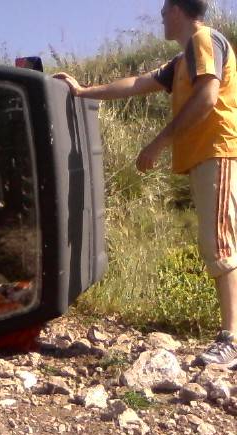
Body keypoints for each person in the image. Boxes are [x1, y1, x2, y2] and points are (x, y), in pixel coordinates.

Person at [55, 0, 237, 368]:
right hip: (206, 155)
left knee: (219, 242)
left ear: (178, 11)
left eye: (164, 9)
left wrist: (158, 142)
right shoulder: (183, 59)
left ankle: (231, 339)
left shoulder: (204, 40)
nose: (160, 17)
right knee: (217, 241)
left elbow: (207, 97)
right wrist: (83, 91)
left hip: (218, 151)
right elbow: (138, 83)